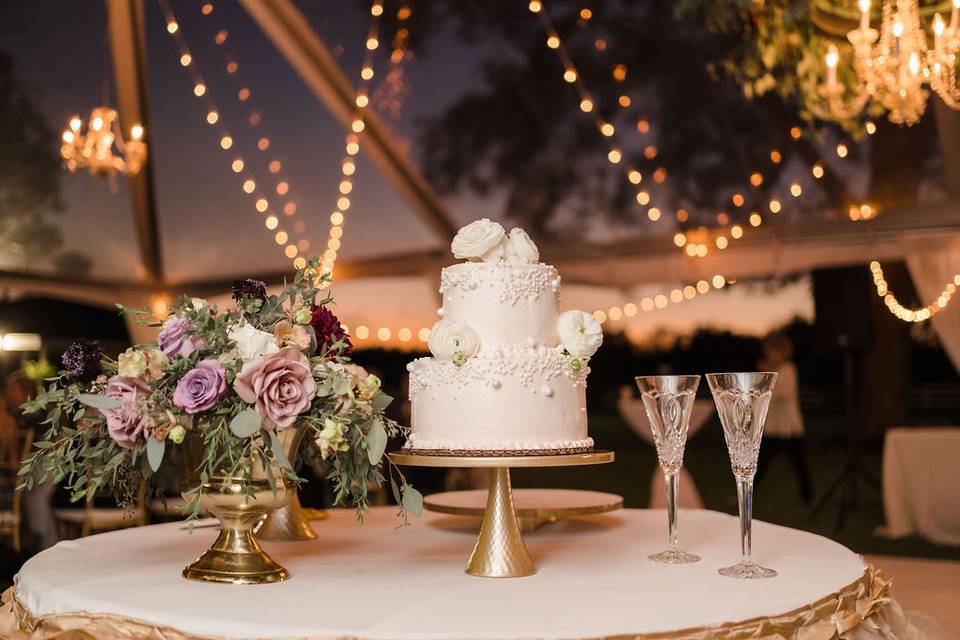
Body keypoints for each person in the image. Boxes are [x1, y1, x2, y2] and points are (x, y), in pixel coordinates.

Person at [755, 332, 813, 504]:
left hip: (788, 428)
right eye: (769, 352)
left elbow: (781, 393)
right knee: (760, 462)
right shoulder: (770, 372)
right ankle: (747, 492)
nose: (771, 355)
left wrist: (767, 374)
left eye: (775, 352)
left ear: (783, 352)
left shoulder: (788, 370)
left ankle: (807, 496)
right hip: (772, 427)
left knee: (799, 463)